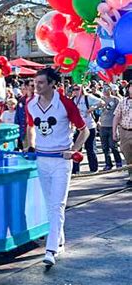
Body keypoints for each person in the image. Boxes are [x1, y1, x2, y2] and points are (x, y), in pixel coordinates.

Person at [26, 68, 89, 267]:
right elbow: (30, 127)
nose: (37, 86)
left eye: (41, 83)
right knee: (49, 205)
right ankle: (59, 240)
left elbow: (84, 130)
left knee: (57, 204)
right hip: (42, 160)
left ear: (53, 83)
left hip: (62, 160)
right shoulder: (31, 105)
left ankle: (51, 249)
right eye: (35, 83)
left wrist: (75, 150)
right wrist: (30, 145)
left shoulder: (65, 104)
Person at [71, 85, 102, 173]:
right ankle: (75, 170)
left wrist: (92, 108)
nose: (75, 91)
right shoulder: (73, 100)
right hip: (78, 127)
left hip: (89, 126)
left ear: (81, 89)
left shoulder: (87, 97)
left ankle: (93, 169)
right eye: (74, 89)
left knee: (90, 148)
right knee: (76, 148)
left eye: (77, 89)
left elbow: (101, 102)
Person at [99, 85, 123, 171]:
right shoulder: (100, 100)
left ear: (110, 90)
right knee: (105, 147)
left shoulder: (116, 100)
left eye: (107, 89)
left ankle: (118, 162)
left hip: (112, 126)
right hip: (103, 126)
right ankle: (108, 164)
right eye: (103, 89)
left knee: (113, 146)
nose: (105, 91)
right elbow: (97, 111)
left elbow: (120, 113)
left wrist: (118, 125)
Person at [112, 82, 132, 186]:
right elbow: (116, 117)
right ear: (128, 89)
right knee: (128, 155)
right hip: (124, 131)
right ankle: (131, 177)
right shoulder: (123, 102)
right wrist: (114, 131)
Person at [14, 79, 34, 150]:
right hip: (23, 130)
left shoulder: (38, 99)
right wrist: (16, 128)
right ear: (26, 86)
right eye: (32, 85)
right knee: (25, 152)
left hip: (35, 130)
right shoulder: (21, 100)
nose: (34, 87)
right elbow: (17, 116)